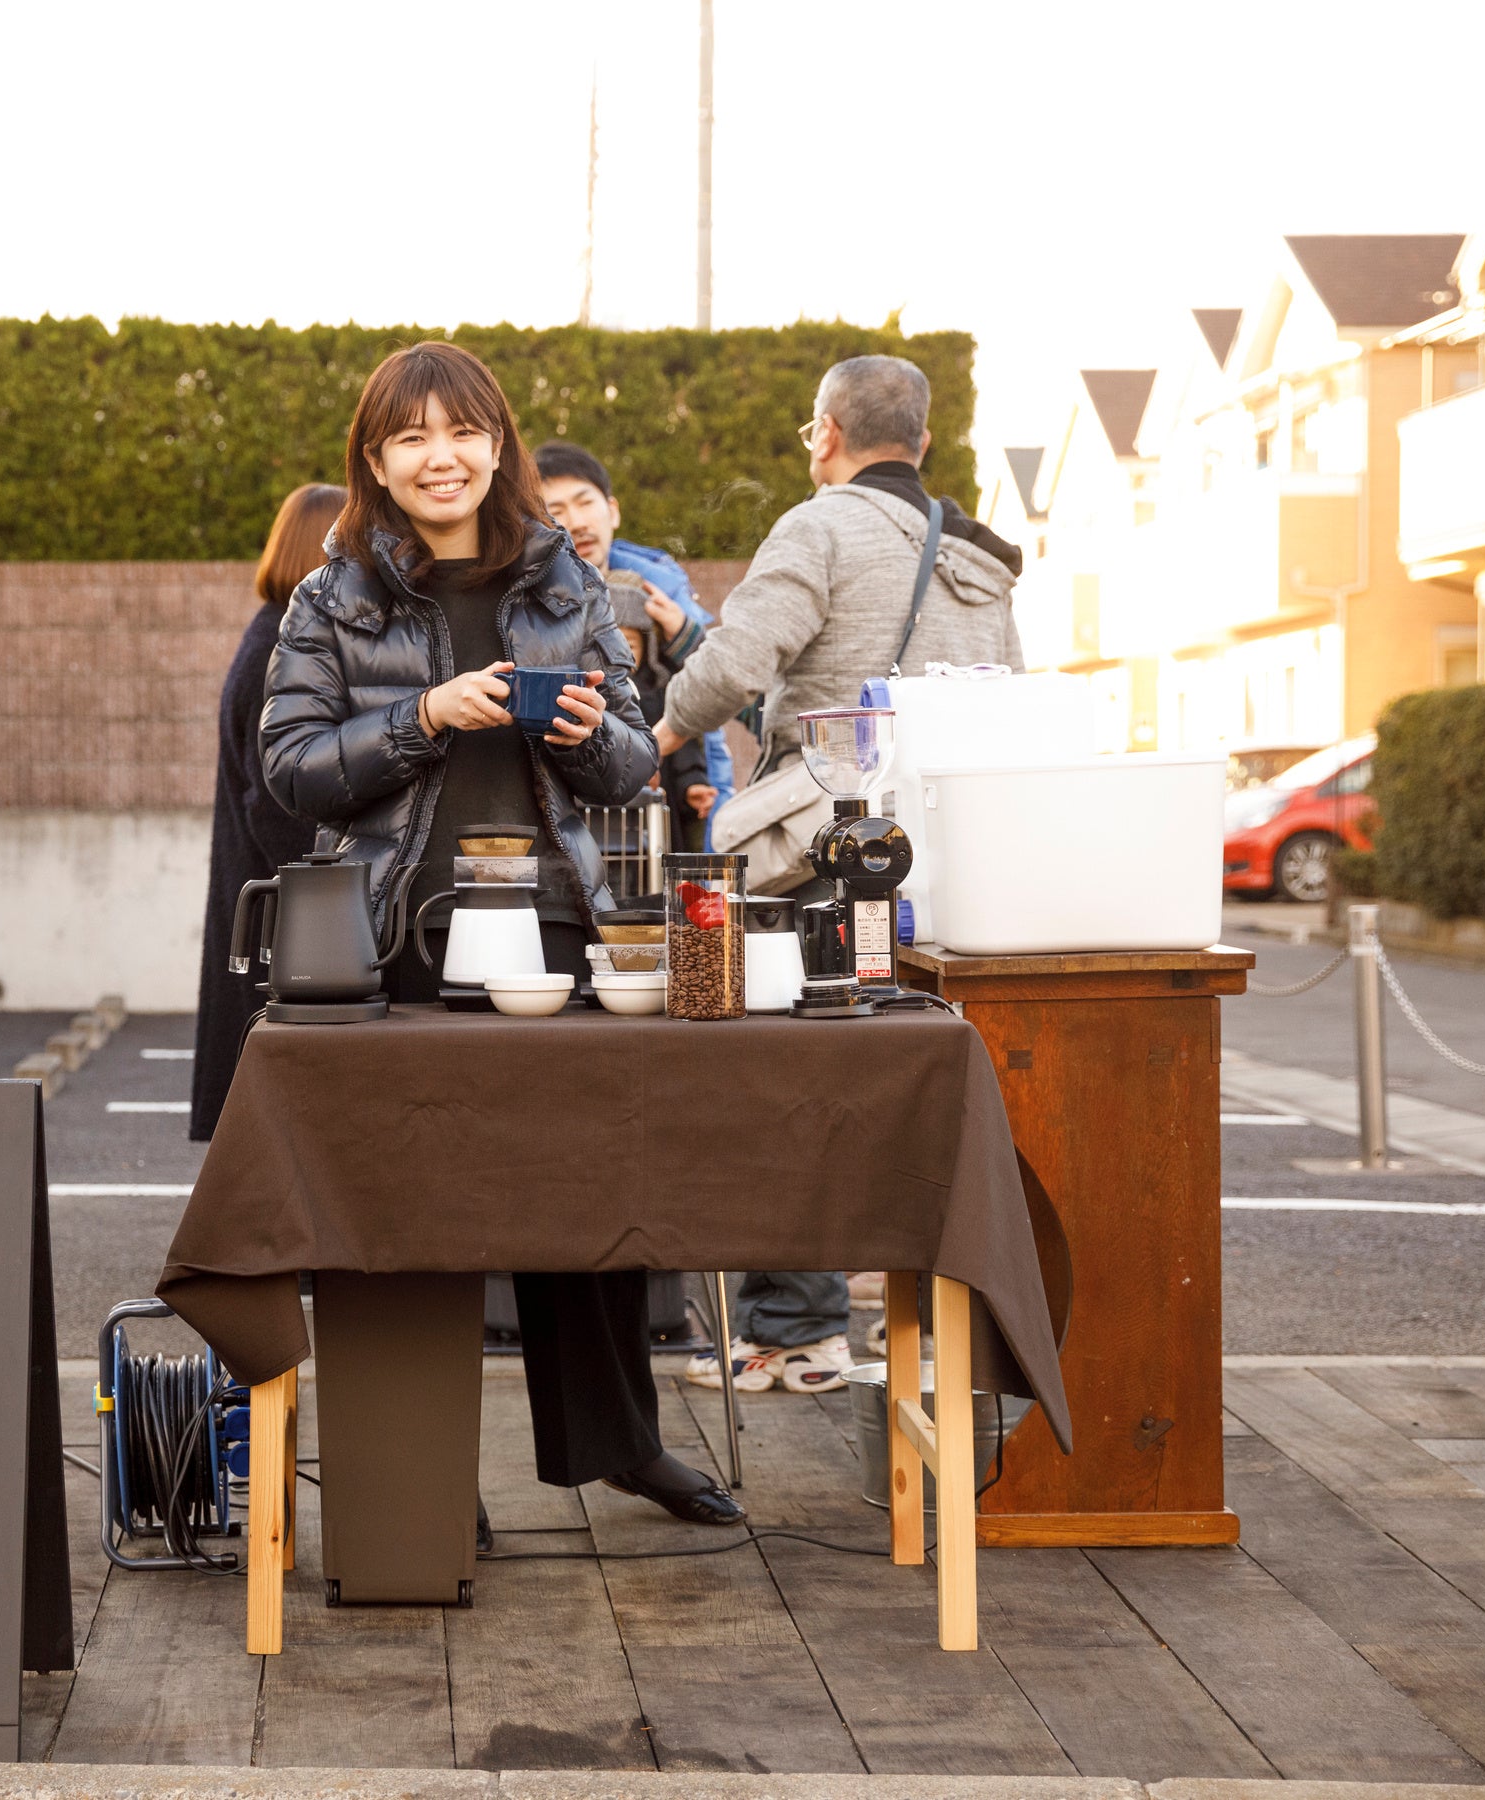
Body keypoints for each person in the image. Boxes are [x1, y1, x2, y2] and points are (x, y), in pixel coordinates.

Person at [261, 340, 742, 1527]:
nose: (441, 457)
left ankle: (623, 1445)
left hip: (558, 931)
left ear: (495, 446)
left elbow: (634, 760)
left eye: (462, 432)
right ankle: (421, 1471)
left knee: (588, 1193)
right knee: (413, 1205)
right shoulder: (335, 596)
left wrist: (583, 734)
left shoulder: (562, 583)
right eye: (411, 437)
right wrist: (420, 716)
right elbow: (288, 770)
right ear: (375, 460)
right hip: (400, 937)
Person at [655, 354, 1028, 1396]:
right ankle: (929, 1332)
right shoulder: (981, 558)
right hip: (941, 859)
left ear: (824, 431)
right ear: (923, 441)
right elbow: (1009, 704)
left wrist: (655, 733)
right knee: (911, 1084)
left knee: (788, 1082)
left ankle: (794, 1329)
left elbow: (735, 664)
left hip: (818, 859)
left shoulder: (816, 525)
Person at [190, 482, 346, 1141]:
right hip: (276, 917)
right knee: (270, 1113)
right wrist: (332, 893)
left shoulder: (275, 637)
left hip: (262, 905)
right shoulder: (280, 649)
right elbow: (274, 801)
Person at [534, 442, 737, 847]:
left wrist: (684, 636)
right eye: (555, 510)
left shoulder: (663, 595)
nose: (575, 522)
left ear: (612, 510)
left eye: (584, 502)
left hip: (662, 818)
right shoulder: (527, 601)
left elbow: (714, 706)